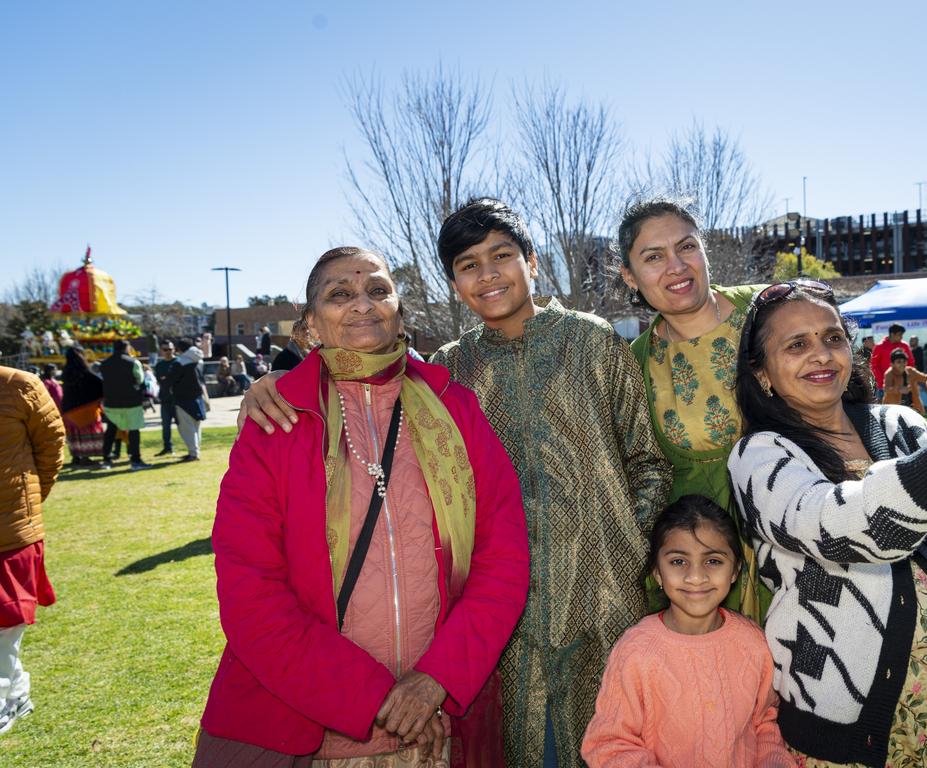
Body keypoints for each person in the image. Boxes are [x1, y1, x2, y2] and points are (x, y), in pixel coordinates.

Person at [240, 200, 671, 768]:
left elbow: (648, 461)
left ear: (533, 262)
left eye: (502, 256)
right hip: (495, 625)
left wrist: (620, 550)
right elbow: (359, 367)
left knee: (613, 743)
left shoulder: (591, 343)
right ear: (453, 284)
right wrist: (271, 382)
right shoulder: (450, 371)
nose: (489, 274)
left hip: (602, 600)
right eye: (469, 265)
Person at [193, 247, 528, 767]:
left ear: (400, 312)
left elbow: (502, 560)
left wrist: (433, 682)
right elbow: (251, 593)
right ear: (308, 325)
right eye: (340, 294)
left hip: (435, 726)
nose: (361, 304)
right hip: (310, 732)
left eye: (377, 290)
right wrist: (373, 699)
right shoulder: (276, 421)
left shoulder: (455, 408)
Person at [728, 279, 927, 767]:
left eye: (832, 337)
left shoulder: (903, 427)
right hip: (843, 727)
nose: (821, 355)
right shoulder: (759, 458)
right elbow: (841, 525)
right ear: (761, 373)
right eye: (796, 344)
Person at [617, 195, 769, 621]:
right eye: (653, 257)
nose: (676, 266)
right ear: (630, 276)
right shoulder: (633, 364)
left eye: (686, 246)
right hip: (707, 570)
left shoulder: (770, 309)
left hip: (807, 536)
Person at [581, 496, 793, 768]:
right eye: (679, 562)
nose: (696, 577)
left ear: (734, 570)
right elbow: (609, 744)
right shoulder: (637, 652)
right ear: (657, 572)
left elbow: (764, 722)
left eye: (713, 561)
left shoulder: (753, 643)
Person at [0, 366, 64, 734]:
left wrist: (28, 502)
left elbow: (52, 446)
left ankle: (10, 695)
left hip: (10, 529)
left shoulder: (20, 385)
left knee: (4, 622)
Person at [98, 341, 150, 470]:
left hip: (111, 403)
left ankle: (106, 458)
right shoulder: (133, 362)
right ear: (127, 348)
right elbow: (140, 380)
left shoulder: (104, 364)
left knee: (111, 430)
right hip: (132, 402)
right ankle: (135, 460)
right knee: (134, 430)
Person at [59, 347, 105, 467]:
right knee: (86, 433)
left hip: (68, 409)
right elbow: (99, 384)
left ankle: (76, 457)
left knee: (74, 434)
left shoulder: (65, 372)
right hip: (85, 409)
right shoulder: (85, 371)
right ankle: (85, 458)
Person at [167, 347, 207, 462]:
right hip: (197, 399)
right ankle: (195, 451)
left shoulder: (180, 363)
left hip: (183, 399)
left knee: (187, 428)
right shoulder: (199, 361)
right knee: (196, 427)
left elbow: (171, 380)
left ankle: (193, 453)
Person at [869, 323, 911, 398]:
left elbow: (910, 363)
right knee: (884, 408)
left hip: (902, 386)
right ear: (892, 334)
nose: (901, 337)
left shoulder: (904, 346)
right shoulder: (880, 346)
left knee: (904, 408)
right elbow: (874, 366)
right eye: (899, 334)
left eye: (902, 335)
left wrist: (908, 380)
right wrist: (882, 382)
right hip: (884, 387)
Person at [881, 348, 927, 414]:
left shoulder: (911, 371)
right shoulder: (889, 373)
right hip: (893, 408)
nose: (902, 364)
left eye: (904, 361)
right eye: (899, 362)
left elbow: (926, 378)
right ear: (892, 364)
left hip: (912, 406)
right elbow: (886, 388)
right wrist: (899, 389)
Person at [153, 341, 178, 456]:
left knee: (183, 425)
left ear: (174, 350)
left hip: (179, 400)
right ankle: (167, 447)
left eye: (170, 349)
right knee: (165, 425)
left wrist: (166, 378)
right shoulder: (159, 365)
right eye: (165, 350)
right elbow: (160, 380)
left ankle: (191, 449)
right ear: (161, 351)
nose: (168, 352)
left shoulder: (178, 363)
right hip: (165, 399)